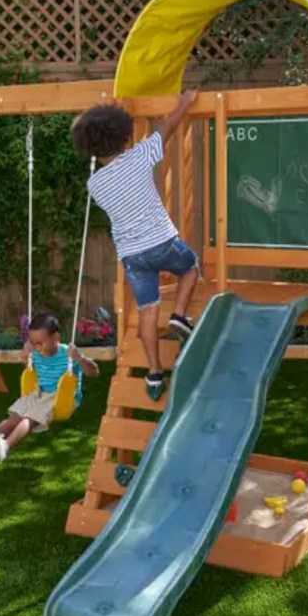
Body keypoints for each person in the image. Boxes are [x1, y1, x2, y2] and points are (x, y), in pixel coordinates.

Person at [71, 90, 200, 401]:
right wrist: (185, 102)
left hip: (132, 256)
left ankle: (154, 374)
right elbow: (167, 126)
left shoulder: (95, 184)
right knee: (191, 266)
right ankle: (180, 316)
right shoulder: (139, 157)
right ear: (124, 135)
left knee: (146, 311)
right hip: (161, 241)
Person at [0, 313, 99, 463]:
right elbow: (32, 369)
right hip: (38, 392)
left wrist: (81, 359)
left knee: (28, 418)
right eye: (33, 342)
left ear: (56, 338)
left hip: (60, 397)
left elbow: (94, 372)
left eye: (40, 343)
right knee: (15, 417)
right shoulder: (36, 354)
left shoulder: (68, 354)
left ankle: (4, 447)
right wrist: (26, 358)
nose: (37, 347)